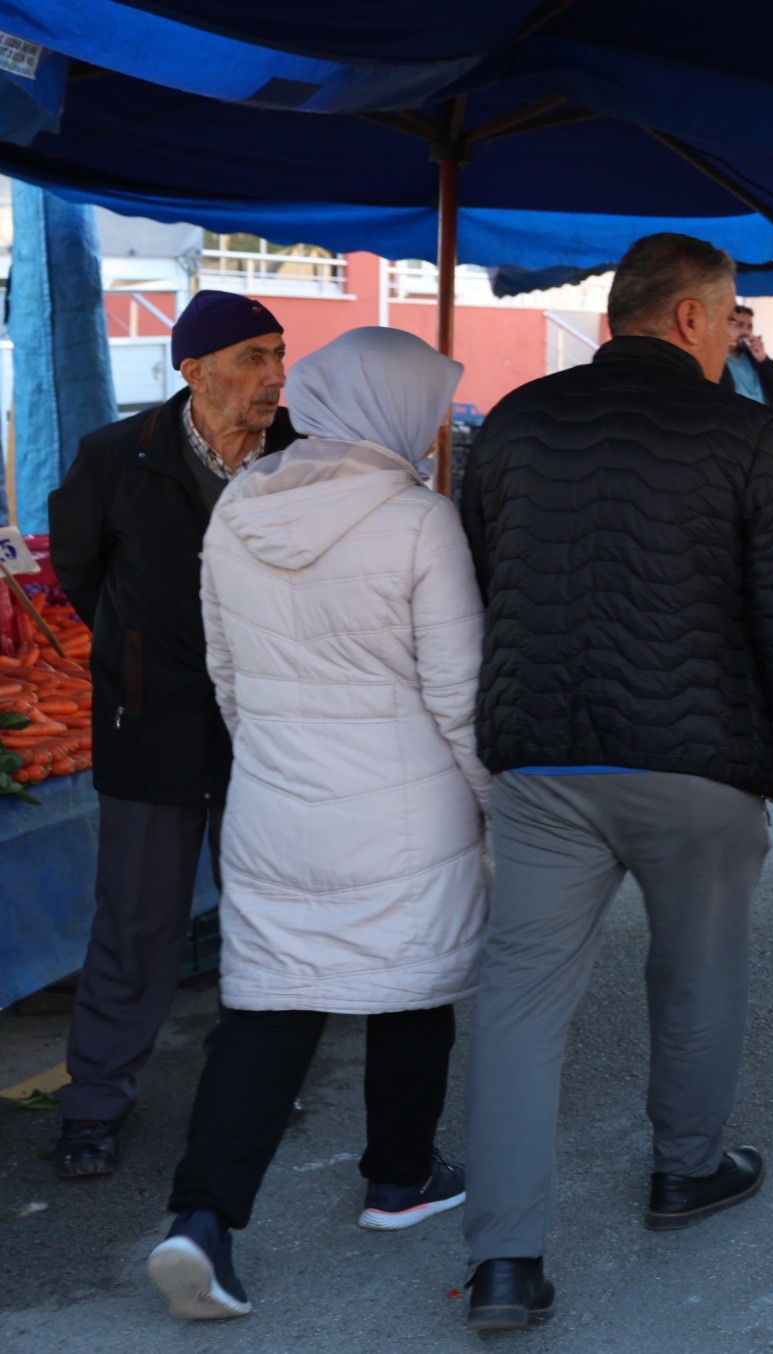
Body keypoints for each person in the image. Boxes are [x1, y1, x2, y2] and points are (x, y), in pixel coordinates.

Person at [455, 233, 773, 1331]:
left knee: (520, 1001)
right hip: (698, 761)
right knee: (698, 972)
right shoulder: (745, 434)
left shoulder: (516, 423)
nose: (735, 339)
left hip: (540, 760)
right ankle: (686, 1170)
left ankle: (504, 1265)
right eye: (729, 320)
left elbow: (481, 574)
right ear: (684, 318)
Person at [148, 327, 482, 1322]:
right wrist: (495, 803)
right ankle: (400, 1175)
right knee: (411, 981)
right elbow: (460, 696)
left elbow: (226, 674)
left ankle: (201, 1221)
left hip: (272, 801)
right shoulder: (421, 521)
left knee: (269, 1008)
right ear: (389, 413)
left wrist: (279, 758)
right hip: (402, 805)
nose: (428, 434)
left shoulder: (239, 502)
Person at [44, 291, 295, 1179]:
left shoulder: (301, 458)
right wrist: (138, 654)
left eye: (277, 354)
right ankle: (95, 1102)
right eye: (253, 357)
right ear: (193, 369)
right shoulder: (117, 456)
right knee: (137, 920)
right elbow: (79, 572)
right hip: (150, 724)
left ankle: (259, 1081)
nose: (273, 375)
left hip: (269, 728)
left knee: (265, 913)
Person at [719, 303, 773, 407]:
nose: (746, 332)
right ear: (727, 327)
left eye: (749, 327)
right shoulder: (718, 360)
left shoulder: (755, 358)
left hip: (765, 421)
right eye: (739, 325)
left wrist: (764, 361)